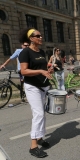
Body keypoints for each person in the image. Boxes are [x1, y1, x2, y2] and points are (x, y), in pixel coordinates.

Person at [18, 28, 53, 158]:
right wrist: (41, 72)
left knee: (42, 114)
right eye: (37, 36)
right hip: (32, 87)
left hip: (43, 86)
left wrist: (48, 70)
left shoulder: (41, 51)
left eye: (41, 35)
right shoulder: (25, 52)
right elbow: (24, 71)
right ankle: (33, 146)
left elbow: (42, 68)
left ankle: (39, 137)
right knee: (38, 114)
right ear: (31, 38)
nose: (40, 37)